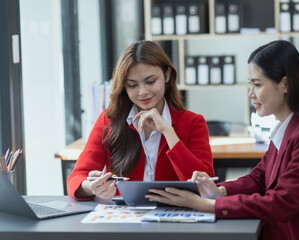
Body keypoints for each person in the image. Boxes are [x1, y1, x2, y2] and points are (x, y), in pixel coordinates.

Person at [146, 40, 299, 240]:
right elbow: (258, 178)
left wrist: (206, 205)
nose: (250, 94)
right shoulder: (285, 127)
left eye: (257, 84)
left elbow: (282, 203)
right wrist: (219, 191)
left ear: (285, 84)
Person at [67, 40, 214, 200]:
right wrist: (90, 187)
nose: (142, 92)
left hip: (173, 217)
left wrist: (168, 132)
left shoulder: (193, 122)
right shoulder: (109, 120)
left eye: (151, 82)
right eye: (132, 85)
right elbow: (77, 177)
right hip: (125, 218)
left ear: (167, 75)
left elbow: (206, 183)